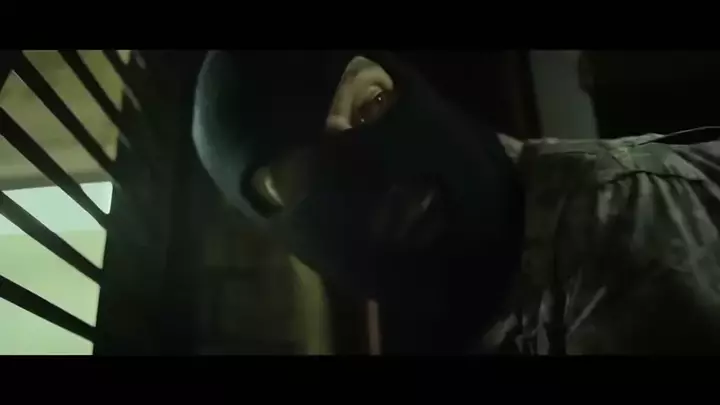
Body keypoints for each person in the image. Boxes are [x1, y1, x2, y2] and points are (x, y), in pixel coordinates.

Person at [192, 50, 720, 355]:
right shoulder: (478, 312)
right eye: (311, 177)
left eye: (373, 103)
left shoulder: (616, 225)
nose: (371, 171)